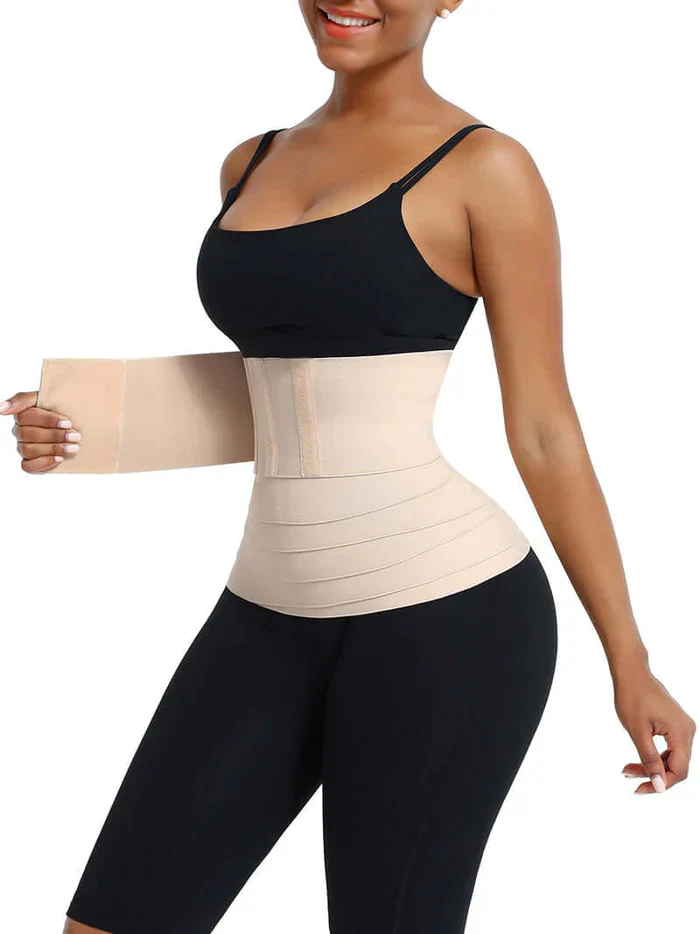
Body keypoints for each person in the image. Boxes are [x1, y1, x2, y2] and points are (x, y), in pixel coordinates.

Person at [1, 2, 695, 933]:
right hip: (265, 614)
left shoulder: (487, 168)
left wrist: (631, 661)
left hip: (448, 620)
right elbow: (292, 392)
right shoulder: (249, 162)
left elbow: (543, 430)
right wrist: (88, 422)